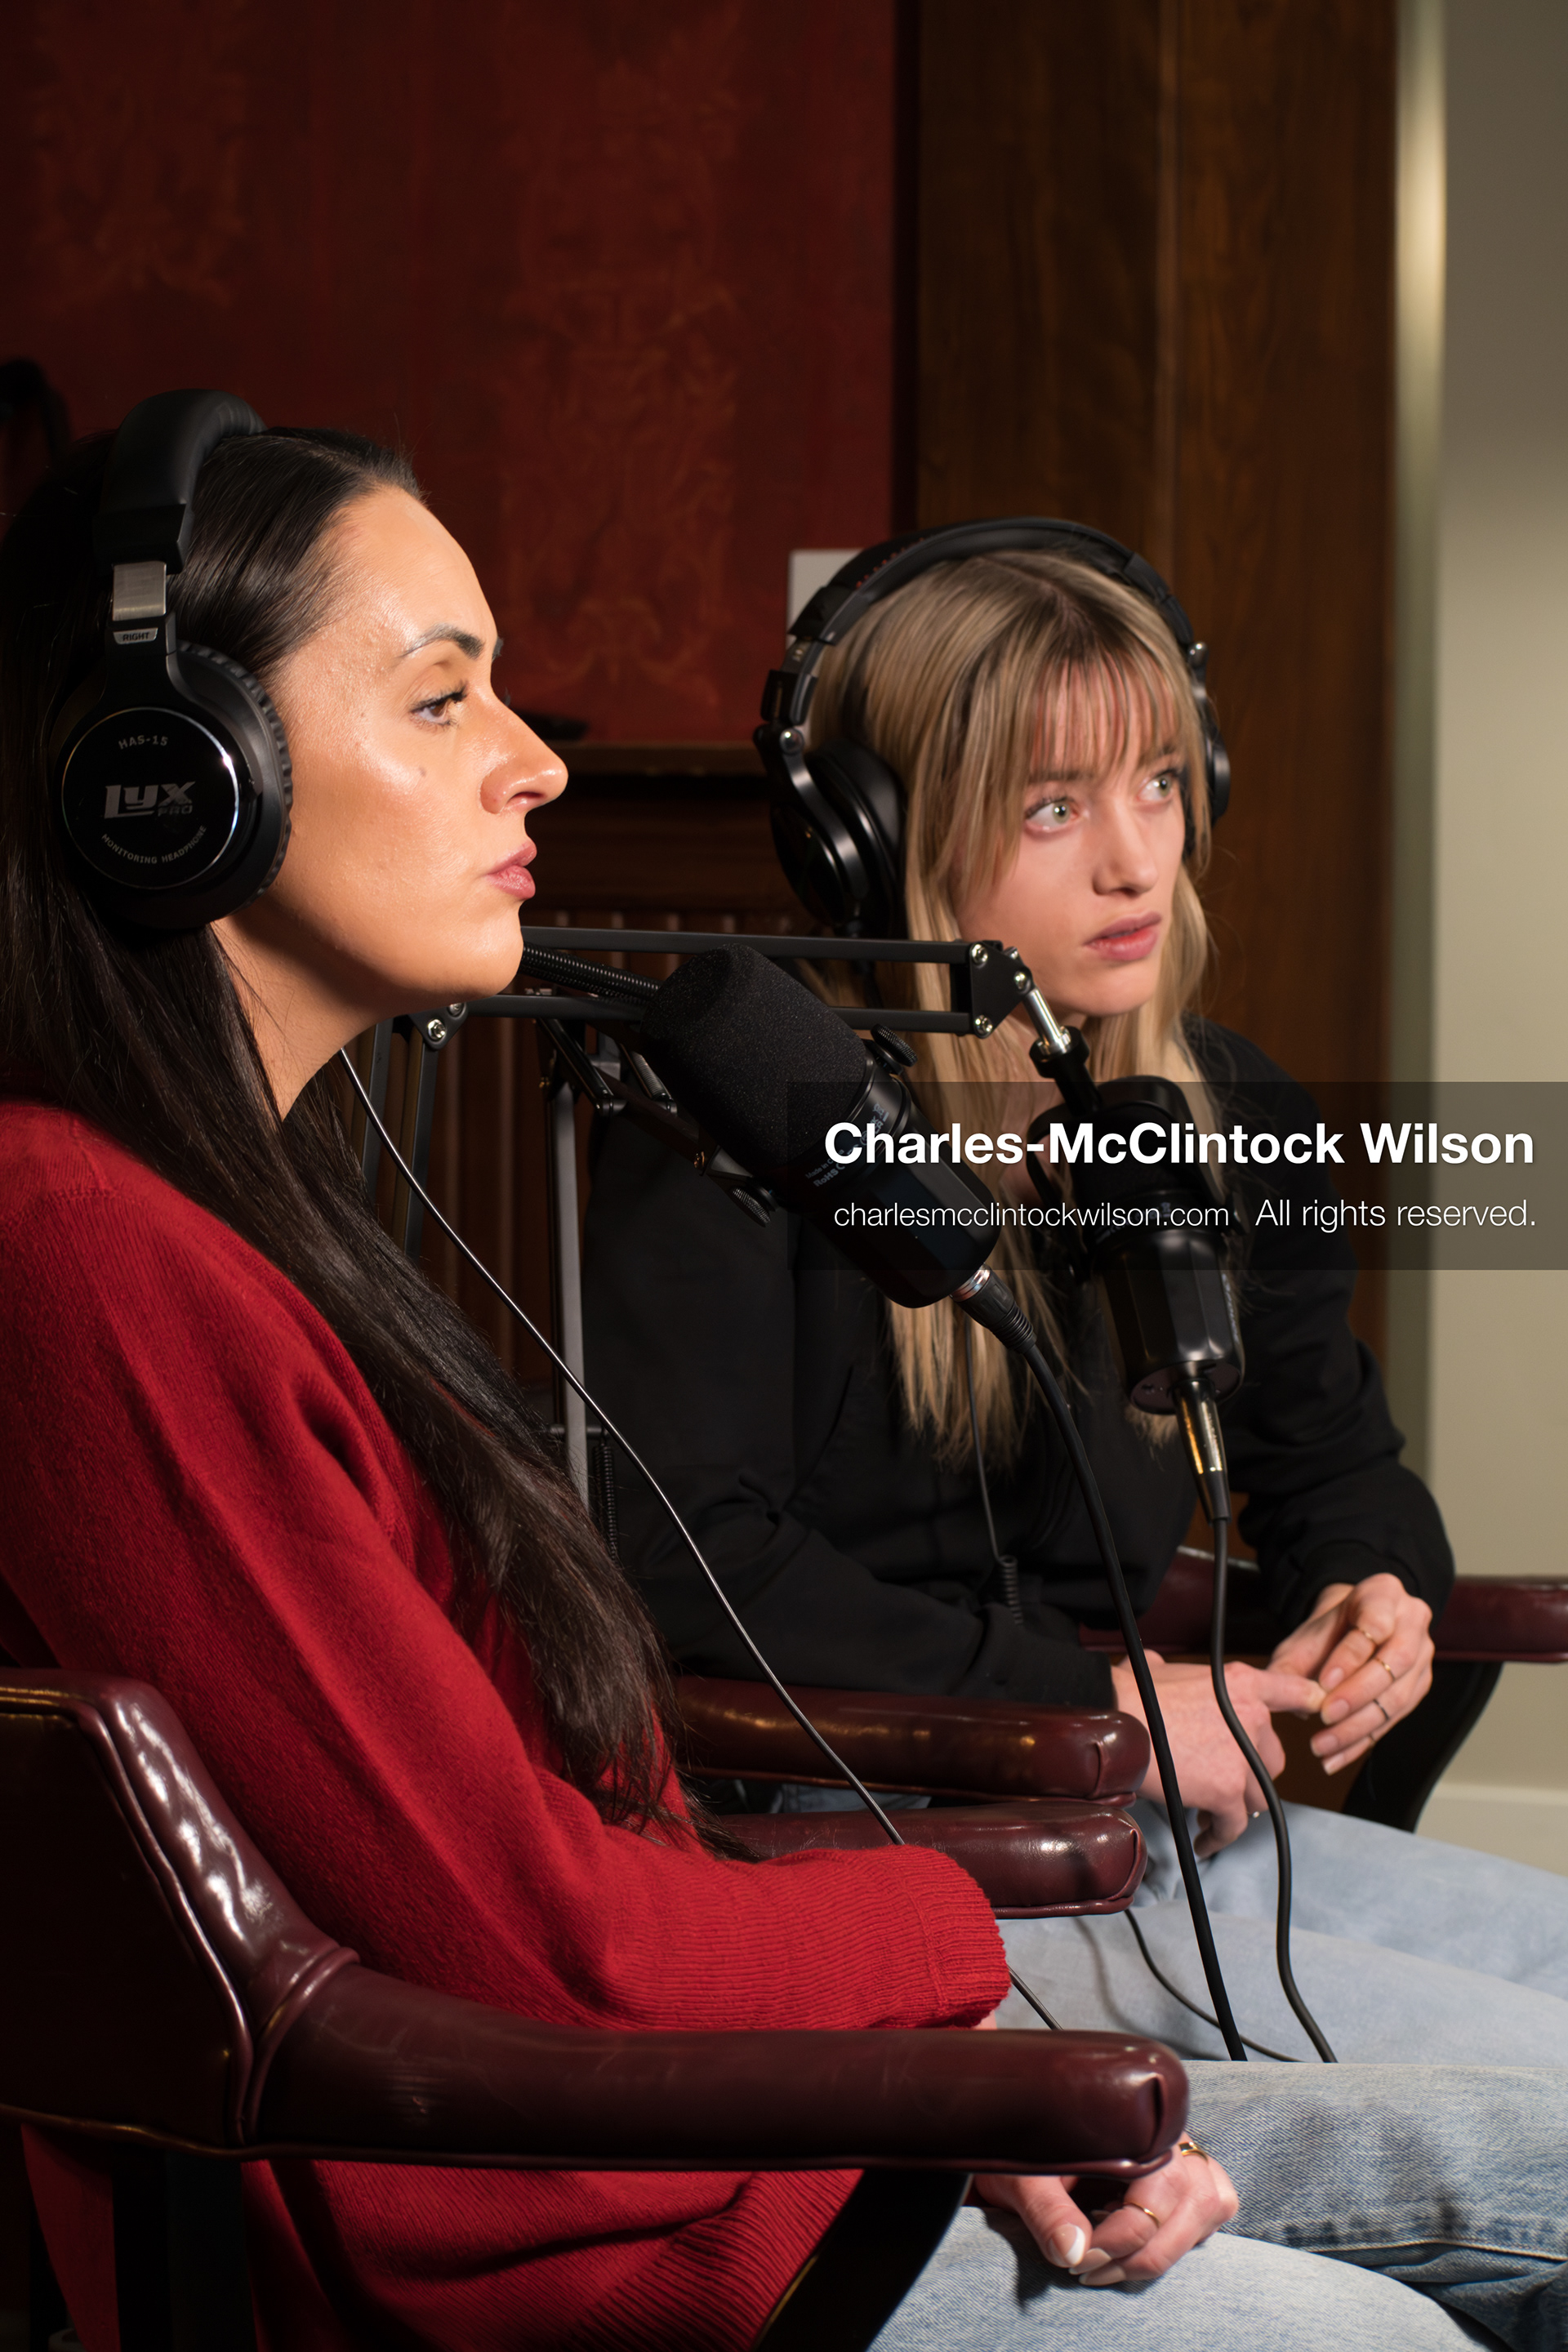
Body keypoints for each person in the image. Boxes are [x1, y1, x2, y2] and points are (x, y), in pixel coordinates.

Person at [1, 414, 1563, 2352]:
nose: (539, 760)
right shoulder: (87, 1248)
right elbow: (559, 1919)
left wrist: (924, 2059)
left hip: (781, 2085)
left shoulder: (254, 1239)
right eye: (438, 700)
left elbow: (557, 1861)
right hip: (683, 2157)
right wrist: (946, 1960)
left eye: (1163, 786)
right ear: (179, 786)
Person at [583, 541, 1568, 2065]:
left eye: (1160, 784)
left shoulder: (1226, 1111)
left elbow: (1334, 1463)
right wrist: (1097, 1693)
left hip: (1126, 1812)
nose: (1135, 859)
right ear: (877, 839)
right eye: (1055, 807)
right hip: (853, 1854)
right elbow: (679, 1559)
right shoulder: (737, 1121)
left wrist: (1377, 1594)